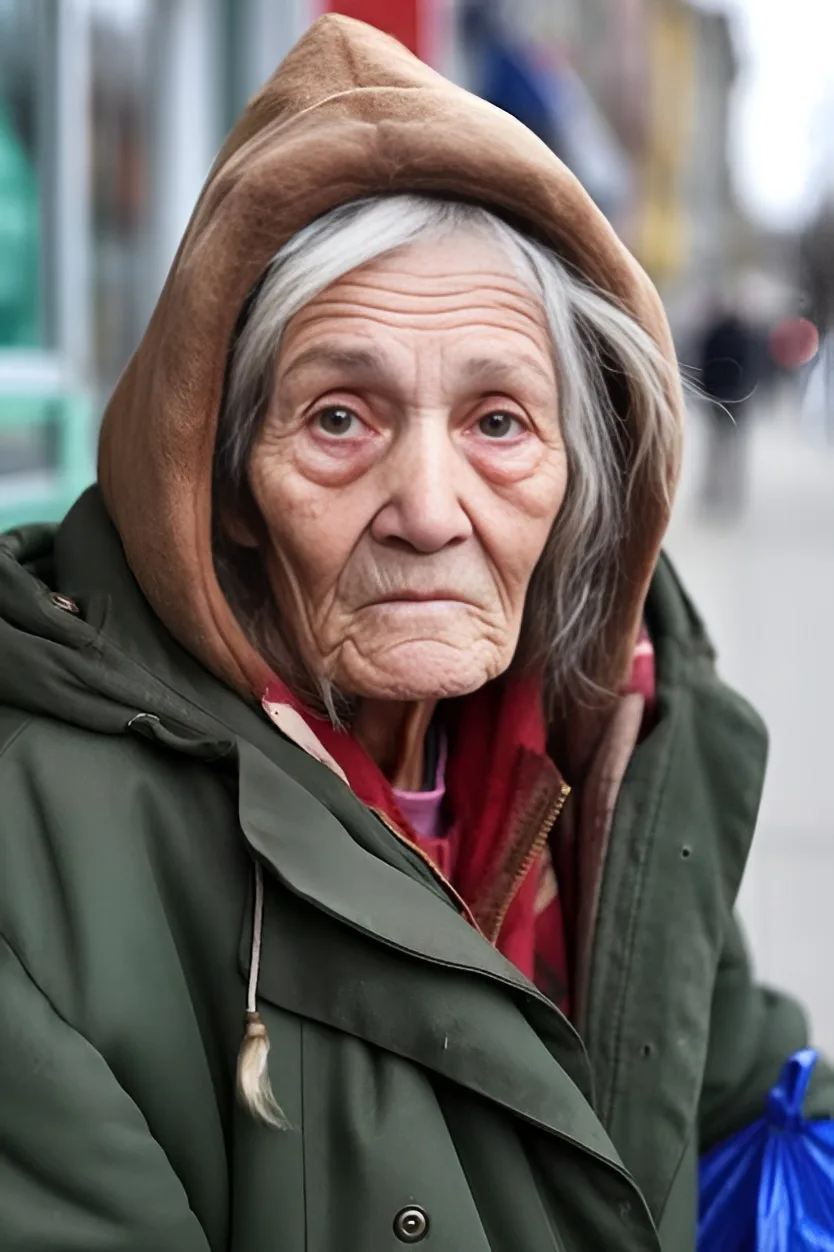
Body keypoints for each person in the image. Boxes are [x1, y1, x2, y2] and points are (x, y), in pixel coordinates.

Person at [0, 16, 831, 1252]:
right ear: (220, 481)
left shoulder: (615, 745)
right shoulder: (36, 852)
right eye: (340, 418)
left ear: (580, 476)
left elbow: (742, 1094)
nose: (431, 512)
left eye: (500, 422)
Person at [696, 301, 764, 515]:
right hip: (737, 400)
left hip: (717, 398)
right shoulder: (744, 337)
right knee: (732, 450)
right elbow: (751, 368)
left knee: (716, 449)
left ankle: (714, 492)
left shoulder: (714, 335)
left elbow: (704, 366)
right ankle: (732, 493)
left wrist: (707, 392)